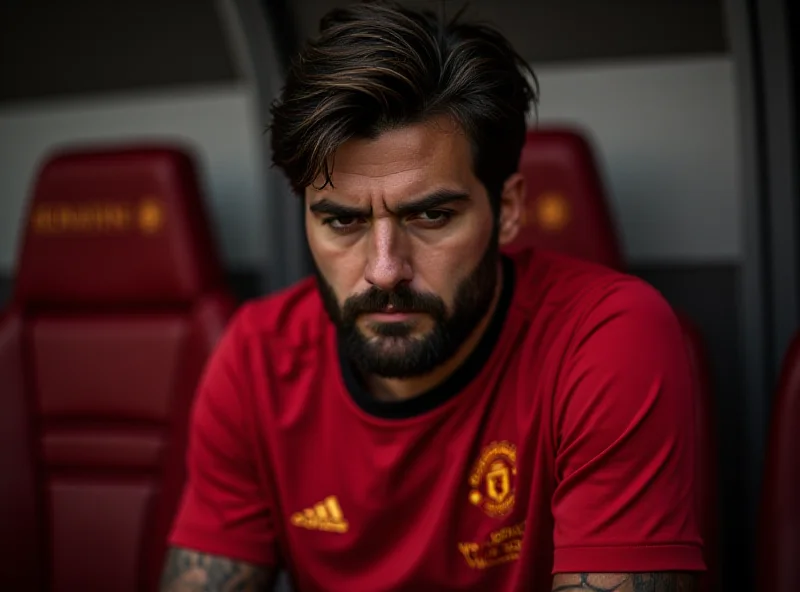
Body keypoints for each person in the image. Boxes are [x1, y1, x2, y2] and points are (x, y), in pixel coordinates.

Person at [160, 1, 705, 590]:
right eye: (342, 222)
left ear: (510, 209)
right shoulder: (256, 357)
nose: (385, 271)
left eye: (432, 216)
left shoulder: (605, 338)